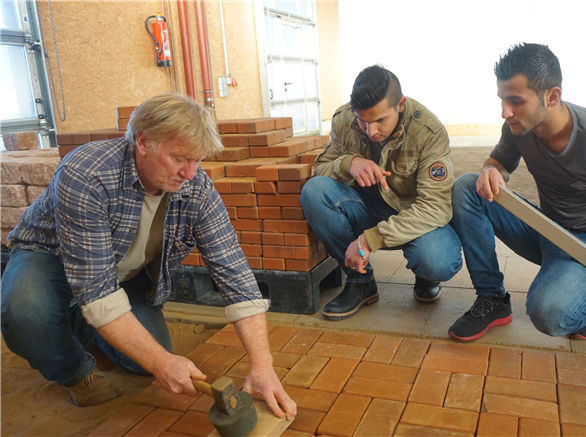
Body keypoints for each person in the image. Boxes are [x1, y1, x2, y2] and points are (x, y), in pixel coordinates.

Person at [0, 93, 297, 419]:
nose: (190, 173)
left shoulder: (197, 188)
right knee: (25, 311)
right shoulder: (88, 174)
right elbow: (96, 288)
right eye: (181, 158)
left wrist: (262, 367)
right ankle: (75, 371)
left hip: (122, 274)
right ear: (143, 141)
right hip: (49, 258)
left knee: (144, 359)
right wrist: (161, 363)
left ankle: (81, 321)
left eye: (198, 160)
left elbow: (235, 273)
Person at [448, 43, 586, 342]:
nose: (505, 112)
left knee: (550, 313)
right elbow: (500, 162)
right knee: (468, 186)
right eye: (503, 99)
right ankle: (492, 299)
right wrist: (490, 170)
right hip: (548, 229)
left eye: (516, 101)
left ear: (552, 96)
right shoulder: (519, 126)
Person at [300, 65, 462, 321]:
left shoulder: (428, 131)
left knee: (438, 260)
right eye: (362, 121)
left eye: (379, 120)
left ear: (400, 104)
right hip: (364, 208)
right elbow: (319, 169)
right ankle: (360, 280)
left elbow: (435, 207)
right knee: (314, 191)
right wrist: (348, 163)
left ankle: (425, 275)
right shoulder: (343, 119)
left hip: (414, 216)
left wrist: (369, 240)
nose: (370, 131)